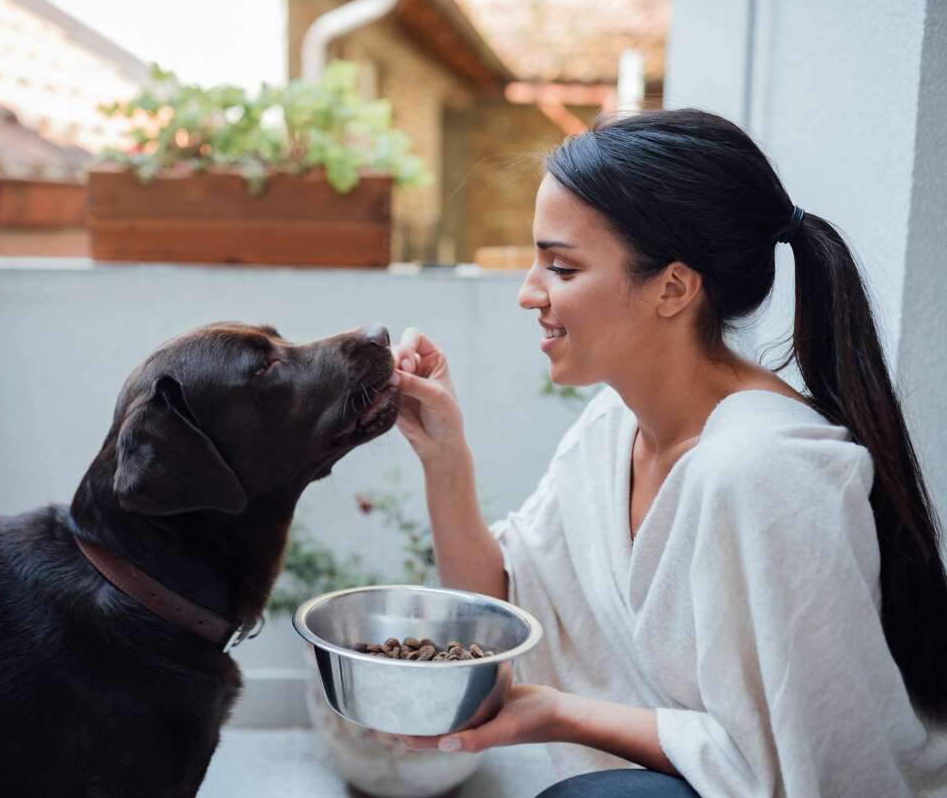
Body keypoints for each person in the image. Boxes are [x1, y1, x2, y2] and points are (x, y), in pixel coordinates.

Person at [386, 109, 947, 797]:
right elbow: (497, 607)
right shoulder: (609, 431)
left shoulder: (767, 472)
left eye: (560, 266)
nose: (530, 292)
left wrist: (563, 713)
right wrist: (444, 454)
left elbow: (810, 765)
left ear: (674, 288)